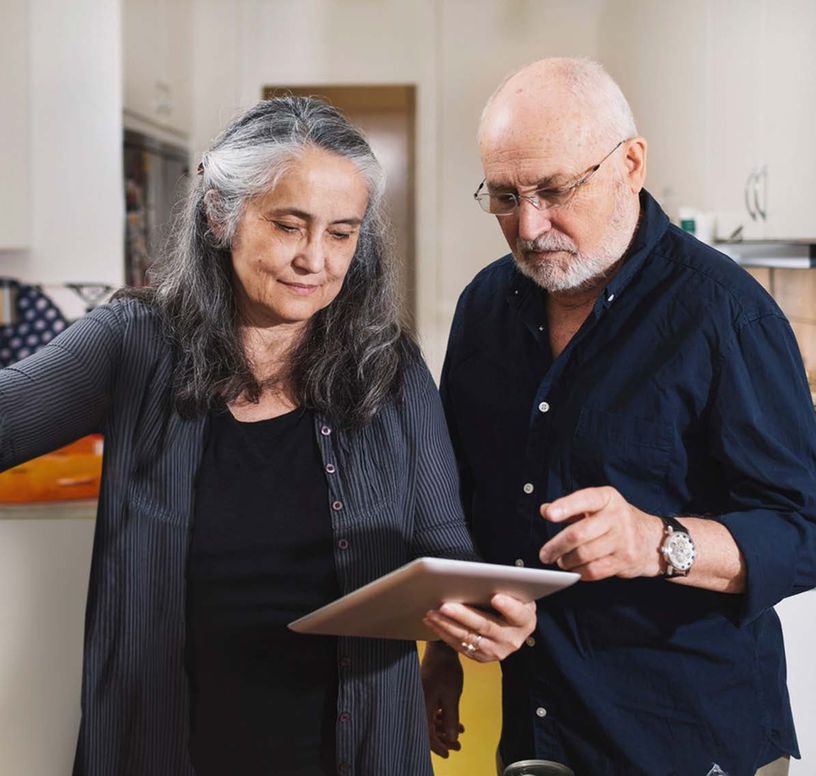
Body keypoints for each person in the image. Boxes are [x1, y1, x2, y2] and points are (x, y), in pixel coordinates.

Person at [0, 96, 536, 776]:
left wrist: (483, 618)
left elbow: (443, 545)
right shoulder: (132, 344)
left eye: (341, 233)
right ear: (220, 213)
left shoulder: (391, 368)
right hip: (168, 748)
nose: (315, 259)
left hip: (358, 751)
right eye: (289, 225)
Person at [422, 57, 816, 776]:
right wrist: (442, 646)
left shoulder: (726, 314)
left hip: (689, 739)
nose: (529, 225)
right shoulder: (484, 309)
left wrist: (660, 541)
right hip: (537, 731)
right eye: (504, 197)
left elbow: (809, 531)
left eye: (554, 190)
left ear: (630, 164)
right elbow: (463, 502)